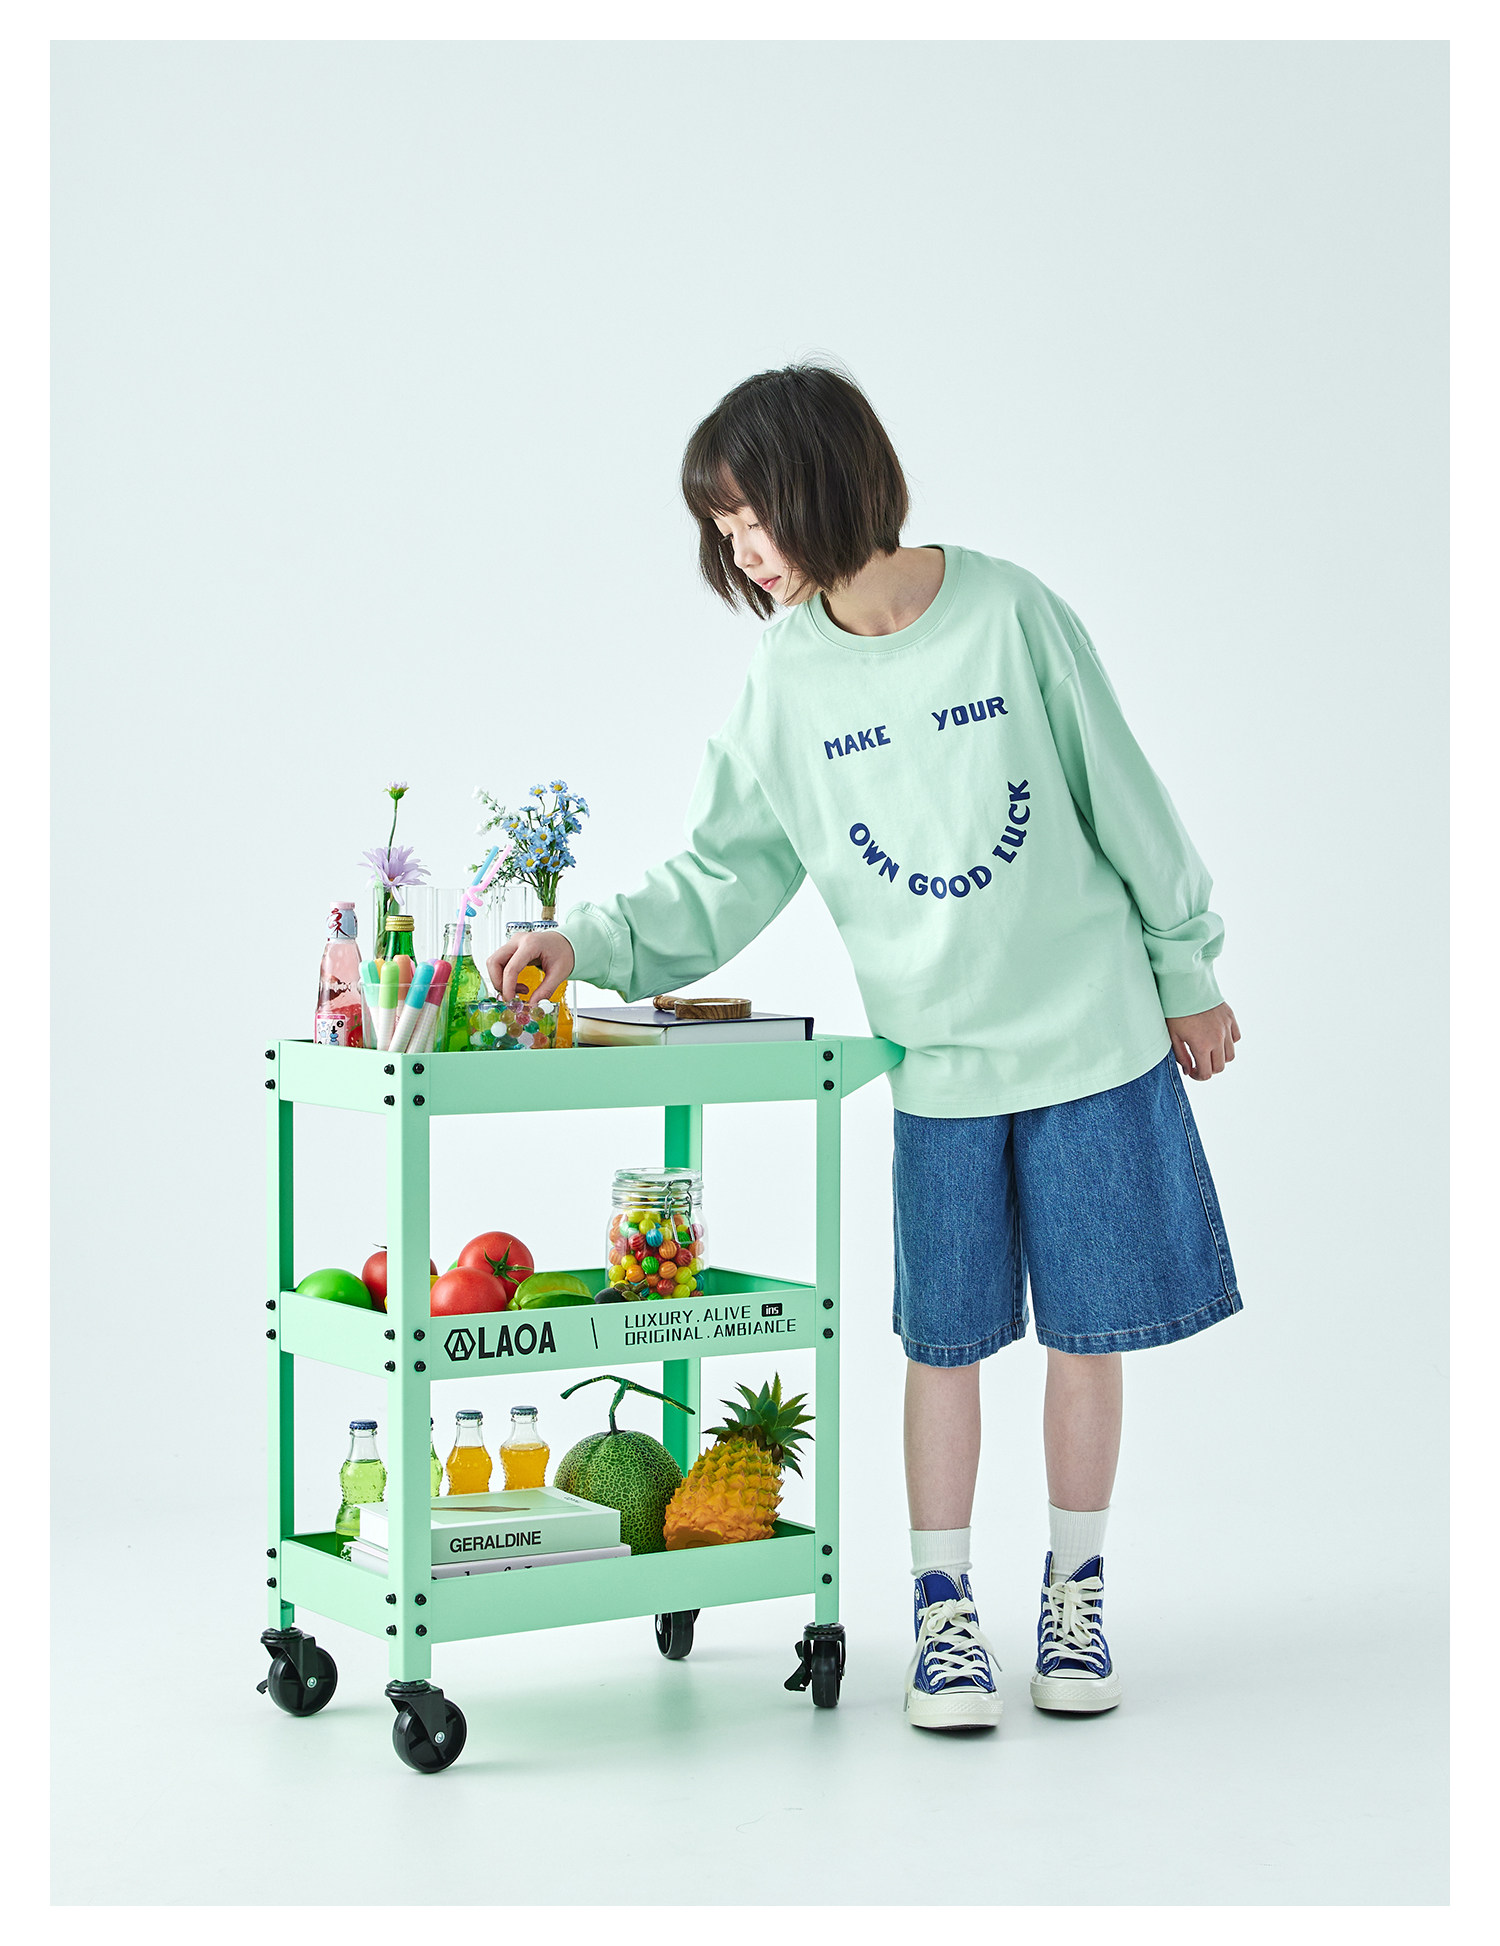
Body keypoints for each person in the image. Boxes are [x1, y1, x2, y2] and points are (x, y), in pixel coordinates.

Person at [487, 362, 1242, 1733]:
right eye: (720, 530)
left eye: (750, 516)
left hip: (1092, 1037)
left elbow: (1120, 793)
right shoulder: (787, 679)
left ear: (825, 482)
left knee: (1088, 1337)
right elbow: (722, 873)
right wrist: (580, 940)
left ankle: (1075, 1594)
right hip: (937, 1064)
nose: (740, 550)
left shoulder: (1010, 614)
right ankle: (943, 1612)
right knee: (942, 1343)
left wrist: (1187, 970)